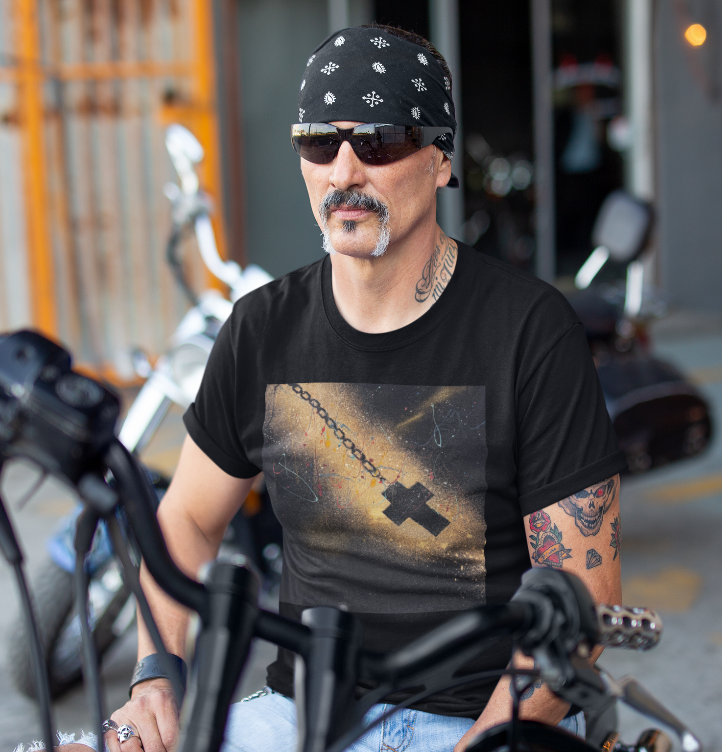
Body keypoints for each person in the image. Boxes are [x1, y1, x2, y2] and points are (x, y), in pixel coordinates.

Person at [58, 23, 626, 752]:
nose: (344, 170)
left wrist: (478, 745)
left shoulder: (530, 330)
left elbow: (584, 597)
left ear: (440, 160)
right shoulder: (262, 328)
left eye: (381, 140)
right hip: (304, 713)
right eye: (319, 142)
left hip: (486, 716)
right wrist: (155, 680)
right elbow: (188, 523)